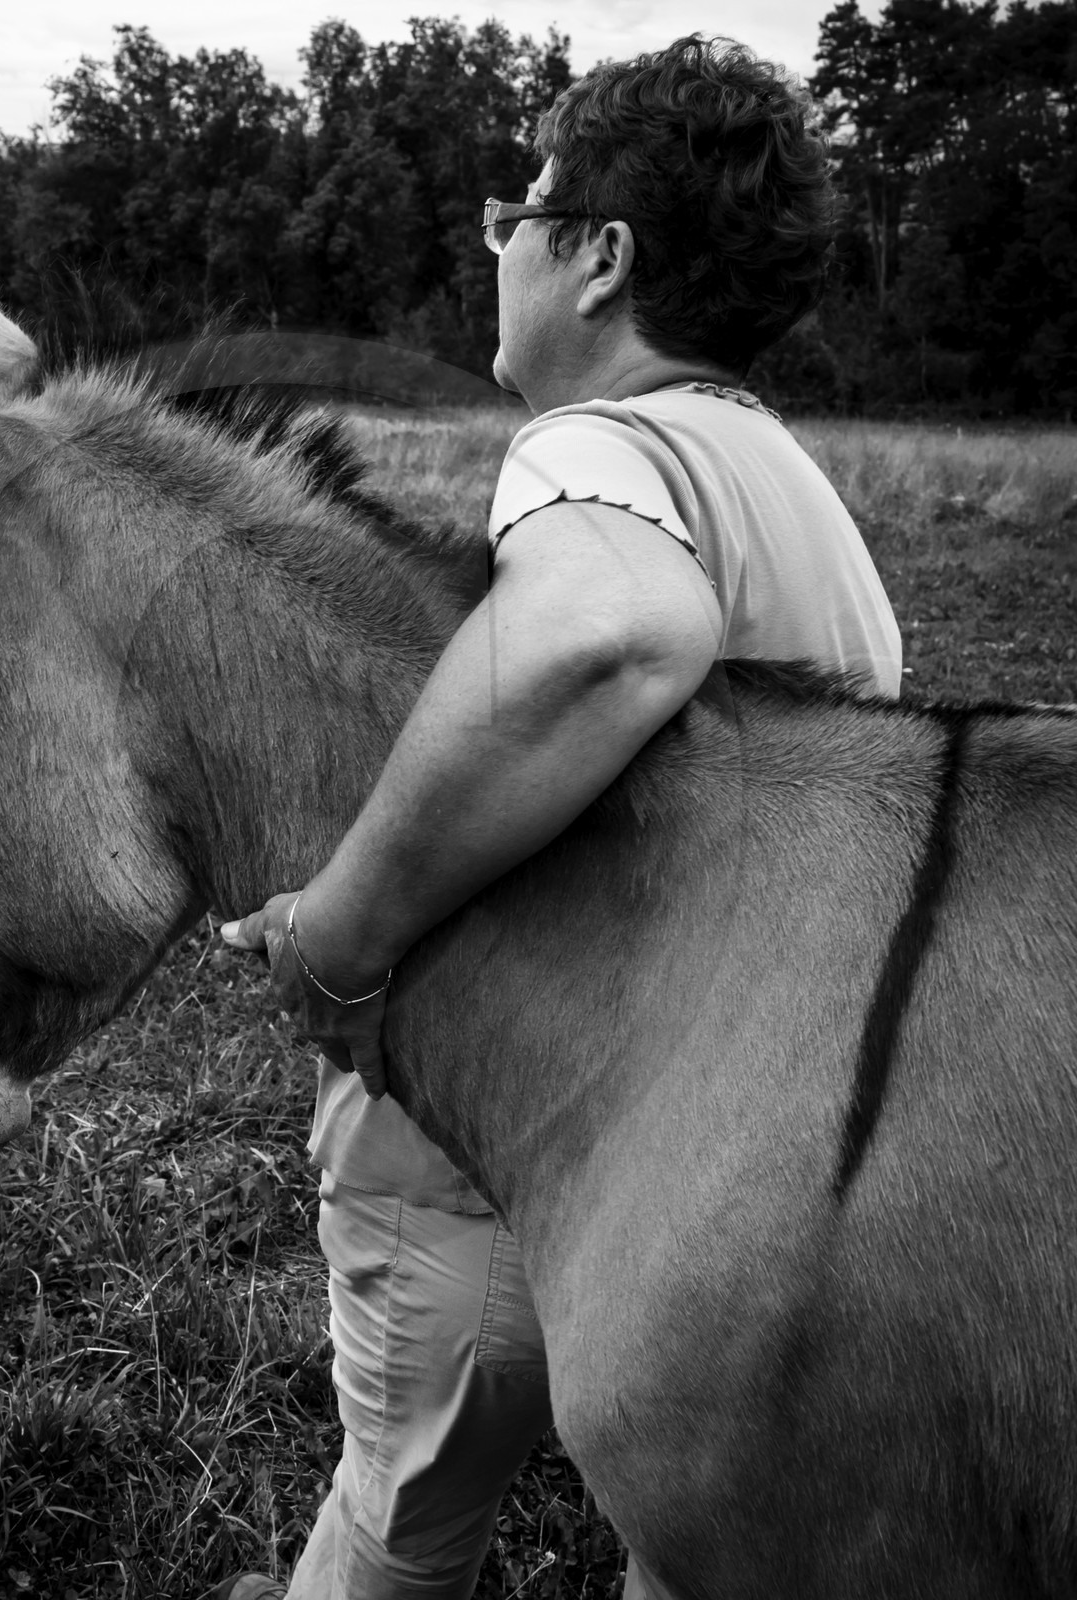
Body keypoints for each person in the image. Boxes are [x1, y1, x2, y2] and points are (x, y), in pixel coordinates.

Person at [216, 35, 902, 1600]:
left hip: (522, 1160)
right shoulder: (786, 477)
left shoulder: (595, 446)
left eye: (520, 207)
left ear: (601, 258)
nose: (498, 241)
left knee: (406, 1511)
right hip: (773, 1172)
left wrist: (342, 926)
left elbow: (607, 636)